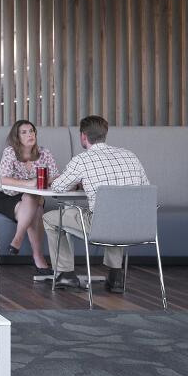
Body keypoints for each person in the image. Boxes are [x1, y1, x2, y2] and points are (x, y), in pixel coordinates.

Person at [45, 115, 149, 292]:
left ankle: (66, 273)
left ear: (83, 136)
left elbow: (58, 187)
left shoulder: (82, 160)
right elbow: (145, 189)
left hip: (100, 225)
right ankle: (116, 276)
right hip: (135, 224)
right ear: (105, 134)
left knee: (49, 218)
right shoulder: (130, 155)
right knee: (118, 212)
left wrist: (78, 181)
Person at [0, 120, 59, 277]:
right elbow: (4, 180)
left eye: (31, 131)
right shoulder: (10, 152)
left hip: (34, 196)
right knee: (36, 209)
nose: (30, 134)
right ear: (17, 137)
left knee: (32, 198)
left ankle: (17, 240)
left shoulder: (44, 153)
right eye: (24, 132)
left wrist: (41, 182)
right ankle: (38, 258)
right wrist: (29, 183)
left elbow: (56, 177)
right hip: (7, 196)